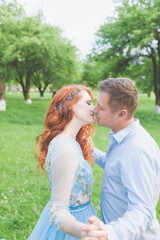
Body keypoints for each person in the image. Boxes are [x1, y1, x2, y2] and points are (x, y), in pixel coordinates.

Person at [81, 78, 160, 240]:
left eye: (101, 108)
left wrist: (111, 233)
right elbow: (116, 166)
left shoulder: (137, 150)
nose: (94, 110)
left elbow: (142, 210)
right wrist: (93, 151)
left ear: (121, 113)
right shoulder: (122, 136)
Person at [28, 85, 107, 240]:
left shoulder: (72, 142)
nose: (94, 109)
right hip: (70, 225)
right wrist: (81, 230)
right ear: (70, 106)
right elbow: (58, 208)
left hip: (83, 214)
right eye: (88, 103)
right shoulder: (65, 147)